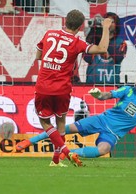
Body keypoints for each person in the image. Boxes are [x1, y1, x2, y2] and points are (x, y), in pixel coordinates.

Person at [16, 70, 136, 159]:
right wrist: (98, 95)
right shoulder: (128, 90)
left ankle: (67, 154)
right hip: (101, 120)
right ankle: (29, 141)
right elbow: (108, 95)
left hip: (113, 133)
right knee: (65, 128)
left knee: (104, 150)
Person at [34, 9, 112, 167]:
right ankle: (56, 161)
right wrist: (105, 27)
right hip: (63, 89)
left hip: (44, 86)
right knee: (61, 122)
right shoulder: (77, 43)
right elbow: (102, 49)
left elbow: (38, 56)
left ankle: (66, 152)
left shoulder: (49, 34)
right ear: (80, 27)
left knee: (45, 122)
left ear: (65, 21)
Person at [84, 12, 127, 84]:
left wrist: (105, 34)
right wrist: (93, 32)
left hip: (112, 86)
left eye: (112, 22)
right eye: (106, 21)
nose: (109, 23)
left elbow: (118, 58)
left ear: (117, 25)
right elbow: (86, 58)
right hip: (91, 84)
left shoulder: (121, 42)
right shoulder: (96, 39)